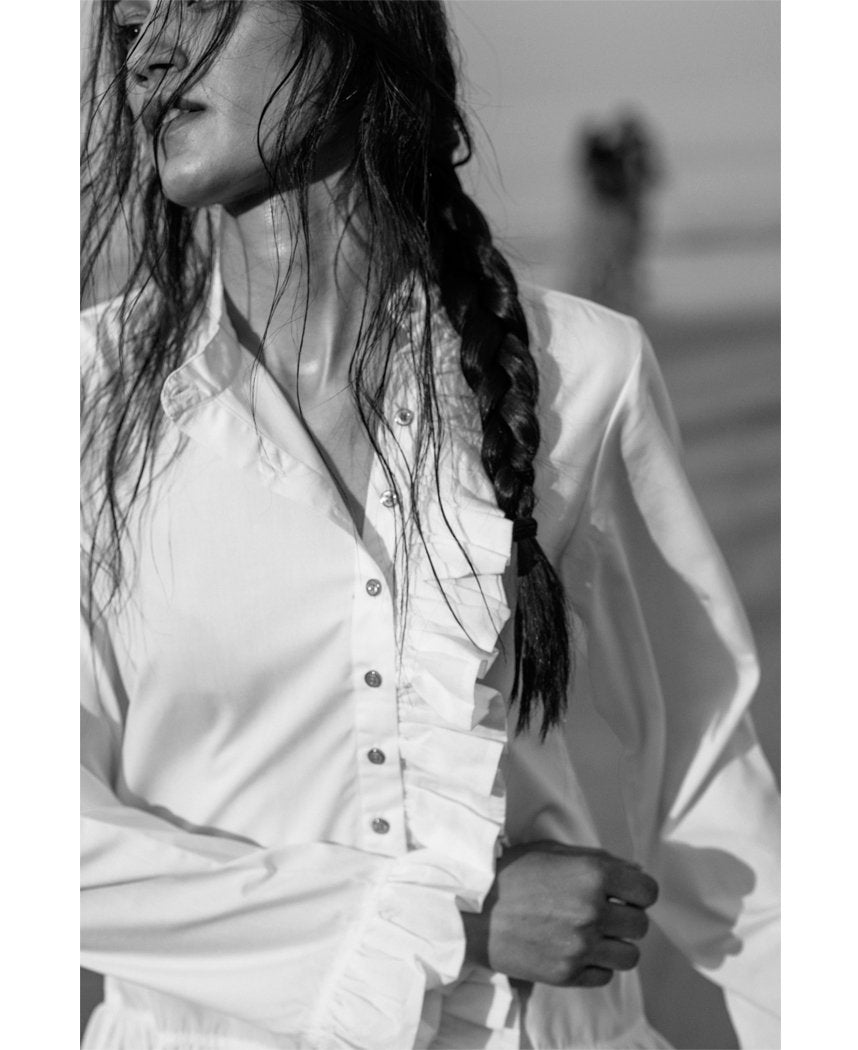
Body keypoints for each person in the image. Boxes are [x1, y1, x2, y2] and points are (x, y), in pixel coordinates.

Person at [80, 3, 780, 1049]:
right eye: (130, 23)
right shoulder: (77, 405)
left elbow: (715, 810)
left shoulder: (584, 374)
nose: (150, 55)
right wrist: (450, 926)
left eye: (202, 3)